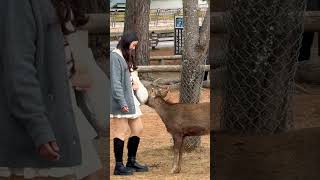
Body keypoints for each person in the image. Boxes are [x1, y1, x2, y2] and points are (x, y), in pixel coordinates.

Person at [0, 0, 101, 179]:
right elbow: (18, 69)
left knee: (92, 173)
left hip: (63, 109)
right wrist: (39, 128)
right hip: (39, 117)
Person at [110, 32, 149, 176]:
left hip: (130, 99)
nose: (133, 48)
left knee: (138, 128)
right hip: (121, 101)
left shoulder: (125, 56)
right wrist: (121, 101)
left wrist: (133, 83)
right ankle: (118, 166)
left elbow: (127, 77)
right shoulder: (115, 57)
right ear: (127, 42)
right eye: (133, 45)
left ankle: (131, 161)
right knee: (120, 131)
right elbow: (115, 83)